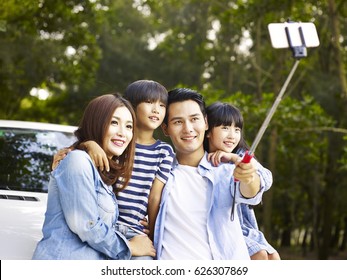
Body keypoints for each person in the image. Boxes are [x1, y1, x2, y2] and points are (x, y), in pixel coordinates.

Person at [51, 80, 174, 260]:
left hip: (133, 229)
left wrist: (154, 234)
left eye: (162, 105)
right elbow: (82, 167)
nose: (156, 109)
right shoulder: (114, 149)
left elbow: (155, 197)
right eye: (149, 102)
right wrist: (88, 145)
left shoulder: (160, 150)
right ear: (132, 107)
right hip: (107, 227)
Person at [32, 93, 156, 260]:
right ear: (97, 123)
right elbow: (86, 226)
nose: (122, 133)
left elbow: (103, 225)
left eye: (128, 126)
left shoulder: (104, 174)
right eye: (114, 123)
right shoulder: (77, 160)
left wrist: (139, 229)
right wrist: (130, 247)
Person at [153, 88, 271, 260]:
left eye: (194, 119)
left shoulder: (225, 170)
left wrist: (249, 177)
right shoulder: (157, 172)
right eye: (178, 122)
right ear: (165, 128)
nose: (188, 129)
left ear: (206, 123)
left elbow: (250, 192)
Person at [204, 101, 280, 260]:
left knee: (274, 257)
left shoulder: (239, 156)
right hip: (223, 229)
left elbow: (266, 178)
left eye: (237, 129)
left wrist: (235, 158)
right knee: (259, 255)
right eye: (225, 128)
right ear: (208, 129)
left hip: (245, 227)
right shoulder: (202, 161)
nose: (232, 135)